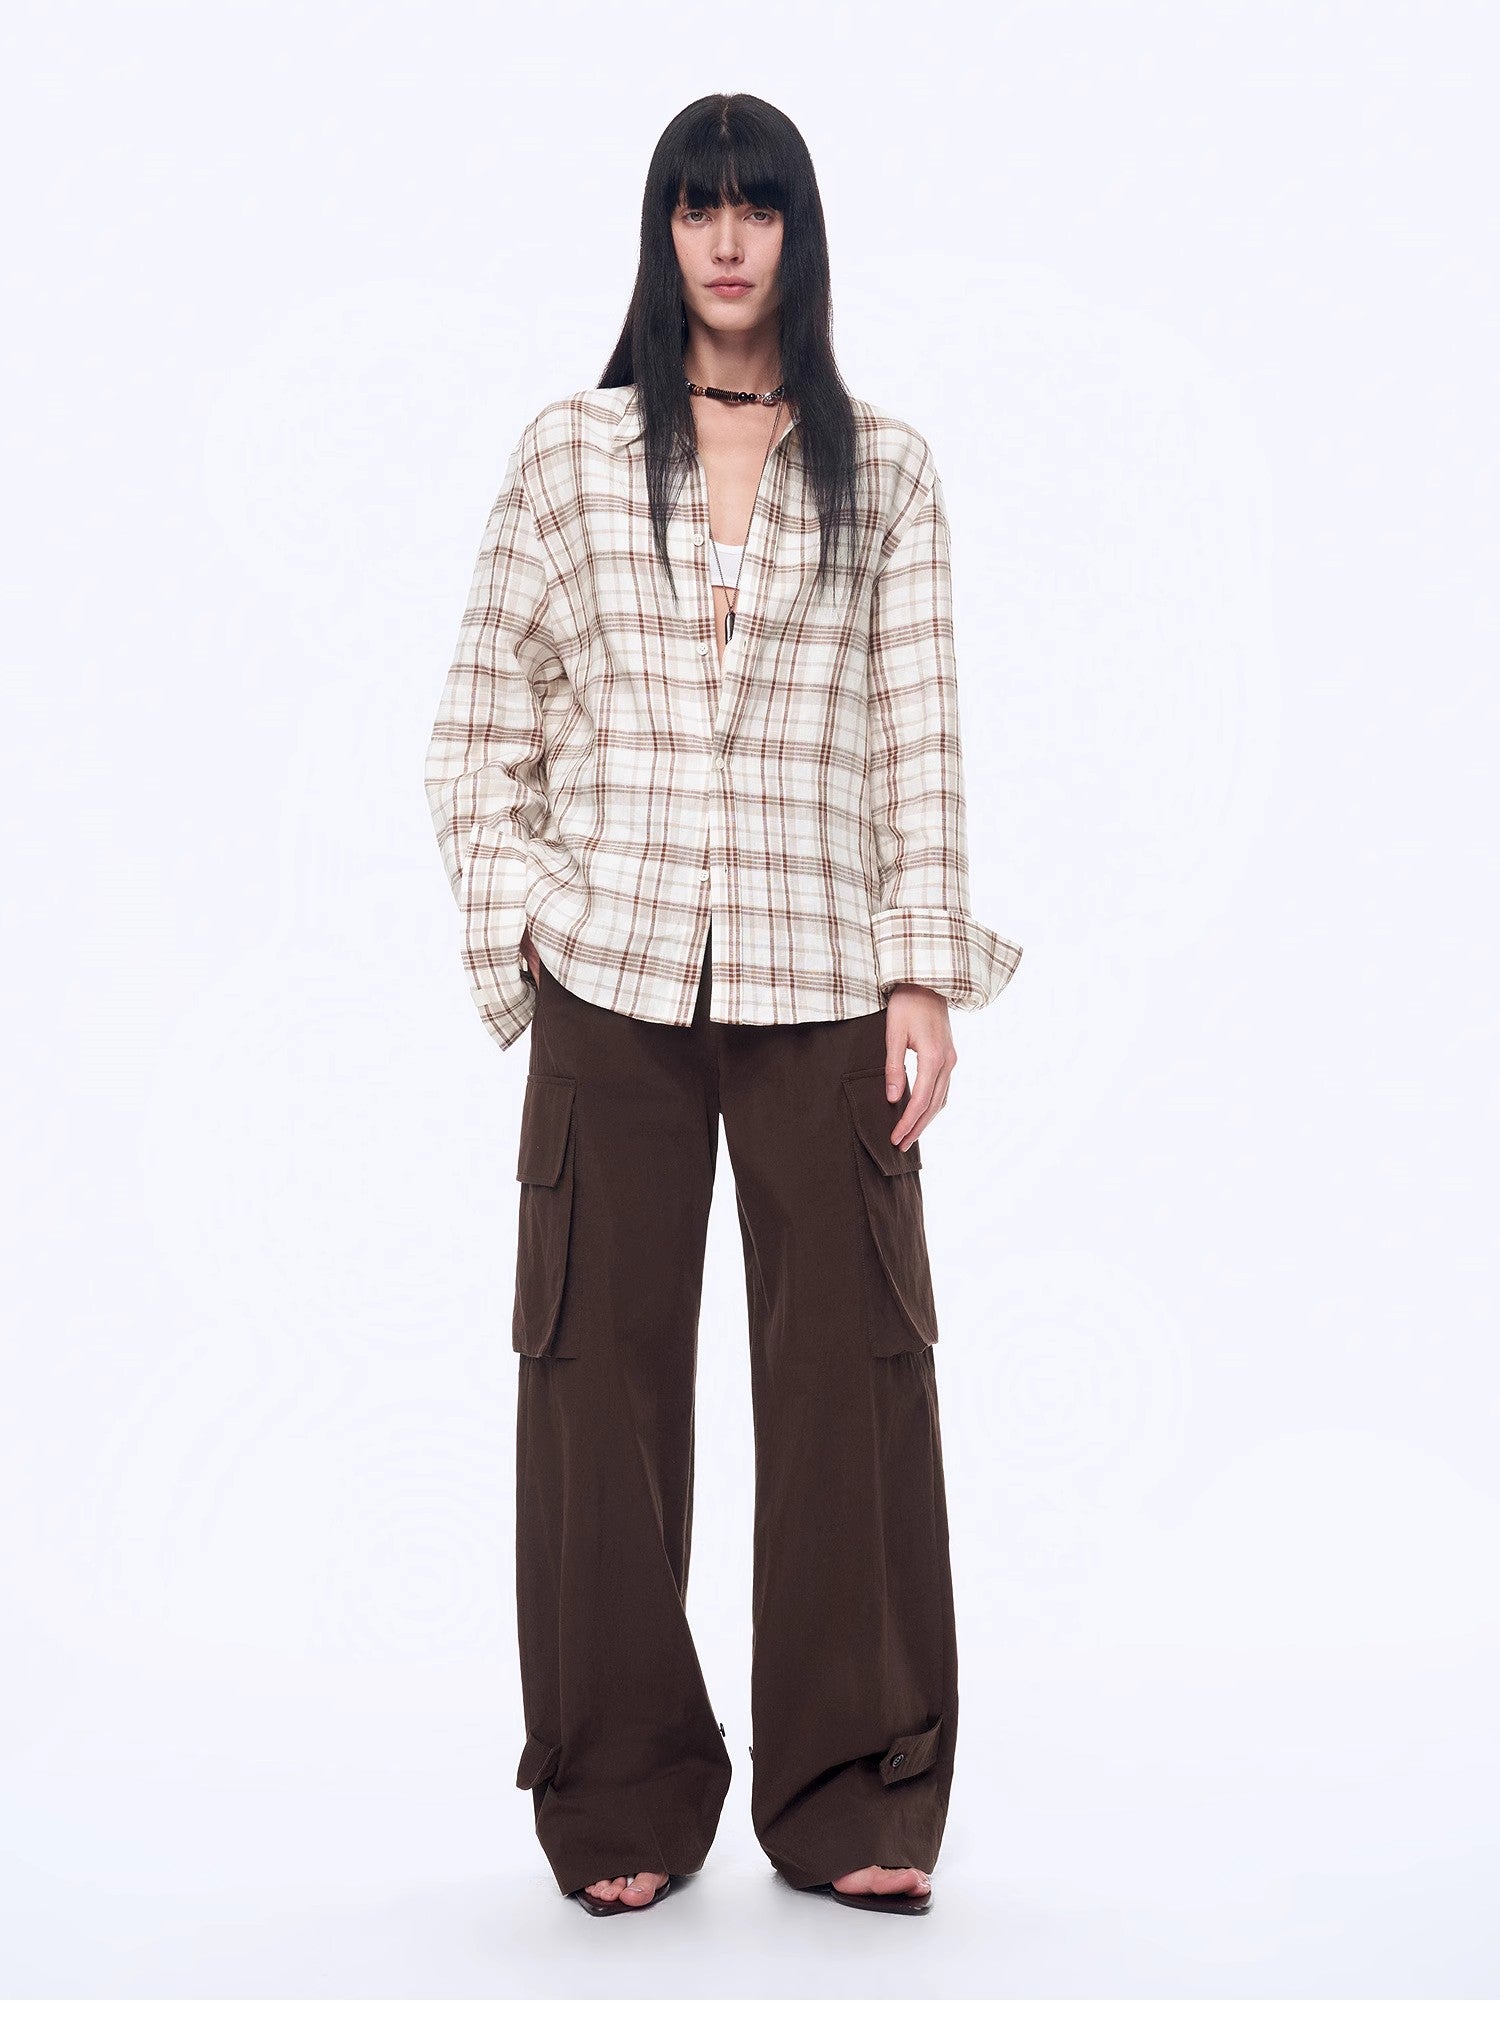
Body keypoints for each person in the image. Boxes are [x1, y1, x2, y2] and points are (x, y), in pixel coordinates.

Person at [423, 93, 1021, 1918]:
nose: (730, 239)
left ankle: (855, 1794)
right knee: (593, 1386)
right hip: (612, 981)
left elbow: (919, 732)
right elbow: (477, 725)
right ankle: (620, 1796)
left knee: (853, 1385)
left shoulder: (886, 468)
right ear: (663, 232)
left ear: (797, 233)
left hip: (825, 979)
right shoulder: (573, 454)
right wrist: (536, 922)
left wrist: (923, 968)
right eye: (700, 207)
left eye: (757, 208)